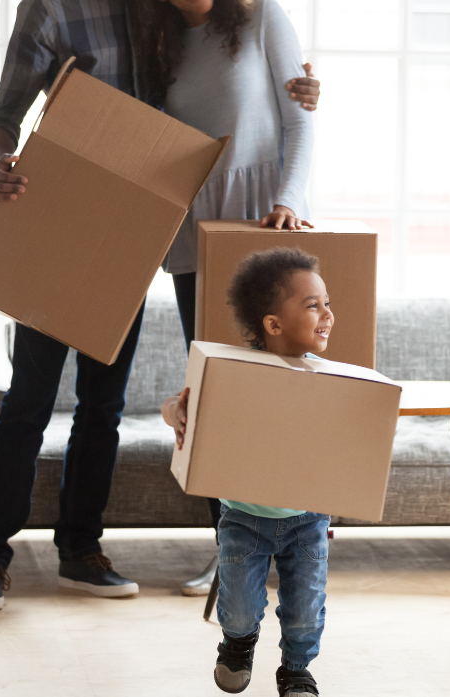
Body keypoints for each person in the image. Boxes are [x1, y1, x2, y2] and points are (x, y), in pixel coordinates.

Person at [0, 0, 321, 612]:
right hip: (61, 217)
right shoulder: (50, 9)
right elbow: (1, 117)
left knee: (103, 406)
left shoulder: (166, 13)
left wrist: (303, 88)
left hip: (136, 230)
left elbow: (233, 88)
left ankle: (81, 551)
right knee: (30, 399)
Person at [129, 0, 315, 596]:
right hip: (193, 232)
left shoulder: (262, 18)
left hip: (265, 224)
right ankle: (234, 552)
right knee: (214, 395)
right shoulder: (157, 40)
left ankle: (293, 550)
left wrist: (289, 198)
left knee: (281, 395)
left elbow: (300, 119)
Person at [162, 247, 332, 697]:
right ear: (273, 325)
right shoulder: (233, 375)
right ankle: (238, 642)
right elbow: (177, 407)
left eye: (328, 303)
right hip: (242, 517)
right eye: (313, 305)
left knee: (306, 609)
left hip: (308, 519)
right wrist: (177, 411)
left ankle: (296, 669)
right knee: (237, 606)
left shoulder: (330, 381)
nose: (328, 314)